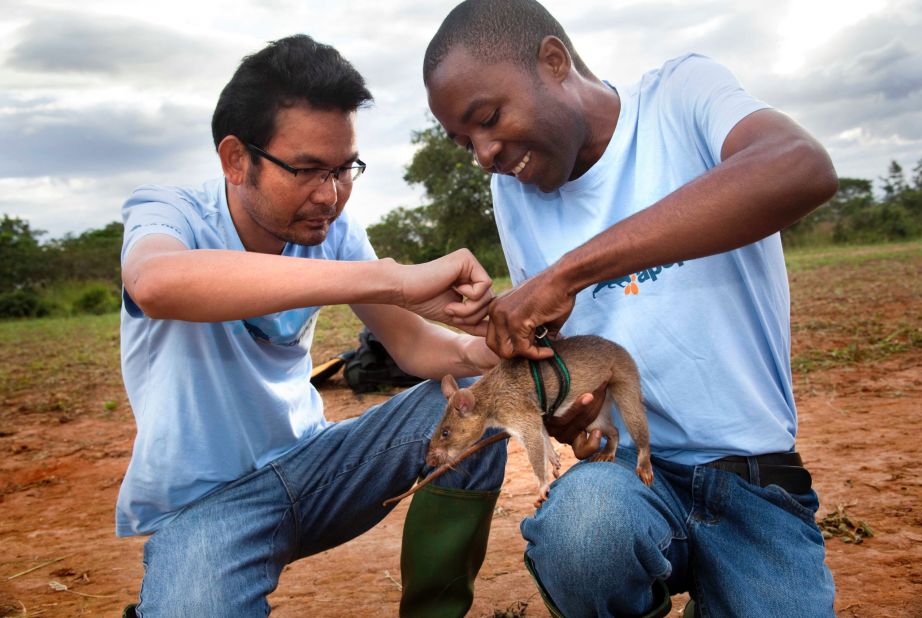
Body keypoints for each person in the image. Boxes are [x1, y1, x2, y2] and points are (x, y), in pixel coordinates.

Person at [424, 1, 839, 616]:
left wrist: (572, 271)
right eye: (465, 142)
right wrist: (568, 414)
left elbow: (800, 167)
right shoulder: (513, 190)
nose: (483, 153)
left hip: (753, 477)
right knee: (585, 533)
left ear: (554, 62)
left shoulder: (680, 96)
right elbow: (570, 353)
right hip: (628, 475)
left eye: (487, 118)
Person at [116, 34, 516, 617]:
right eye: (305, 170)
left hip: (318, 469)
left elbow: (411, 345)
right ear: (236, 159)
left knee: (476, 409)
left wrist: (489, 350)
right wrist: (388, 279)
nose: (329, 196)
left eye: (343, 169)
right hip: (207, 506)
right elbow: (156, 283)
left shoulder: (332, 229)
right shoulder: (170, 212)